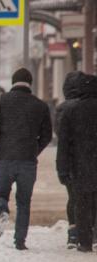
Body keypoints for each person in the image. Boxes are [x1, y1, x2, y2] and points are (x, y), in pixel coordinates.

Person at [0, 68, 52, 250]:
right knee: (24, 201)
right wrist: (33, 150)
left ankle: (3, 211)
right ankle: (20, 241)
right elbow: (47, 135)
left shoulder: (0, 101)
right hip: (28, 161)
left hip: (4, 159)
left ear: (13, 82)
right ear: (30, 82)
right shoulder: (40, 105)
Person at [57, 72, 97, 252]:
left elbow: (63, 143)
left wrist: (62, 169)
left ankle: (84, 241)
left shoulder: (71, 111)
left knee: (81, 202)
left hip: (79, 166)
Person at [54, 71, 84, 248]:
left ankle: (73, 232)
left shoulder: (62, 109)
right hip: (88, 159)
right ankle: (89, 231)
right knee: (88, 197)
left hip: (70, 160)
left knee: (73, 197)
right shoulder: (89, 106)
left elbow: (60, 136)